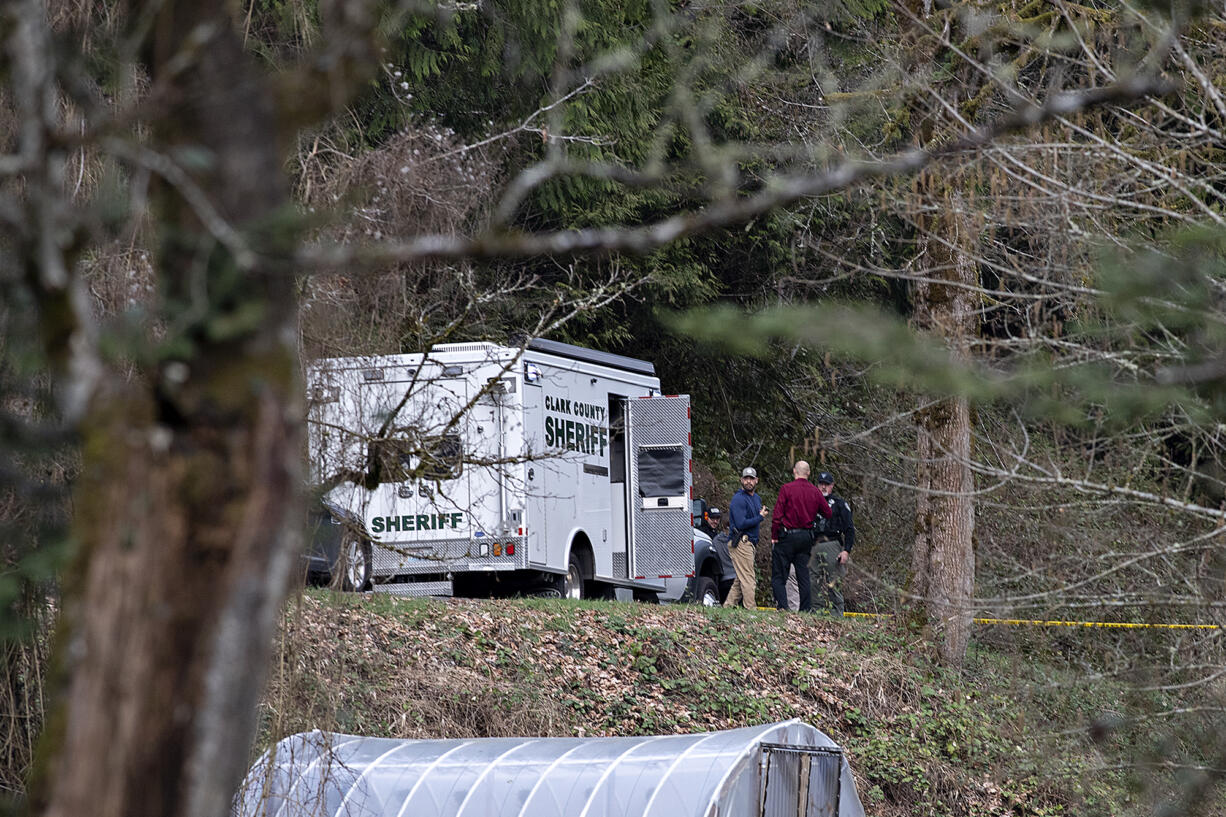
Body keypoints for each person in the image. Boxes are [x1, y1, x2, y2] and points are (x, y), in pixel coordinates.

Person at [769, 460, 831, 612]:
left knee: (779, 574)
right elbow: (828, 513)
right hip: (806, 537)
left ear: (794, 472)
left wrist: (774, 534)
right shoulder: (815, 491)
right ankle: (805, 609)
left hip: (787, 535)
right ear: (808, 473)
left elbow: (777, 515)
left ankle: (783, 607)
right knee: (803, 575)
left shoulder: (787, 489)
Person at [809, 470, 856, 617]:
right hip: (812, 544)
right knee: (812, 580)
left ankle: (837, 613)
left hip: (832, 543)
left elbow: (849, 529)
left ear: (832, 486)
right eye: (821, 484)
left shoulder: (840, 504)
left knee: (834, 580)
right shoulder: (810, 502)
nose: (823, 487)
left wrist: (846, 550)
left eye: (827, 485)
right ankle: (816, 612)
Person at [724, 467, 768, 609]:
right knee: (748, 579)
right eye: (746, 478)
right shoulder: (738, 499)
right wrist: (760, 517)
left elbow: (753, 519)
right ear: (741, 480)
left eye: (751, 478)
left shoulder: (756, 498)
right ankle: (751, 610)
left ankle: (728, 607)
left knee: (741, 579)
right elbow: (741, 523)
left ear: (756, 481)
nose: (748, 481)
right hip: (741, 542)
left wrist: (759, 515)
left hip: (751, 543)